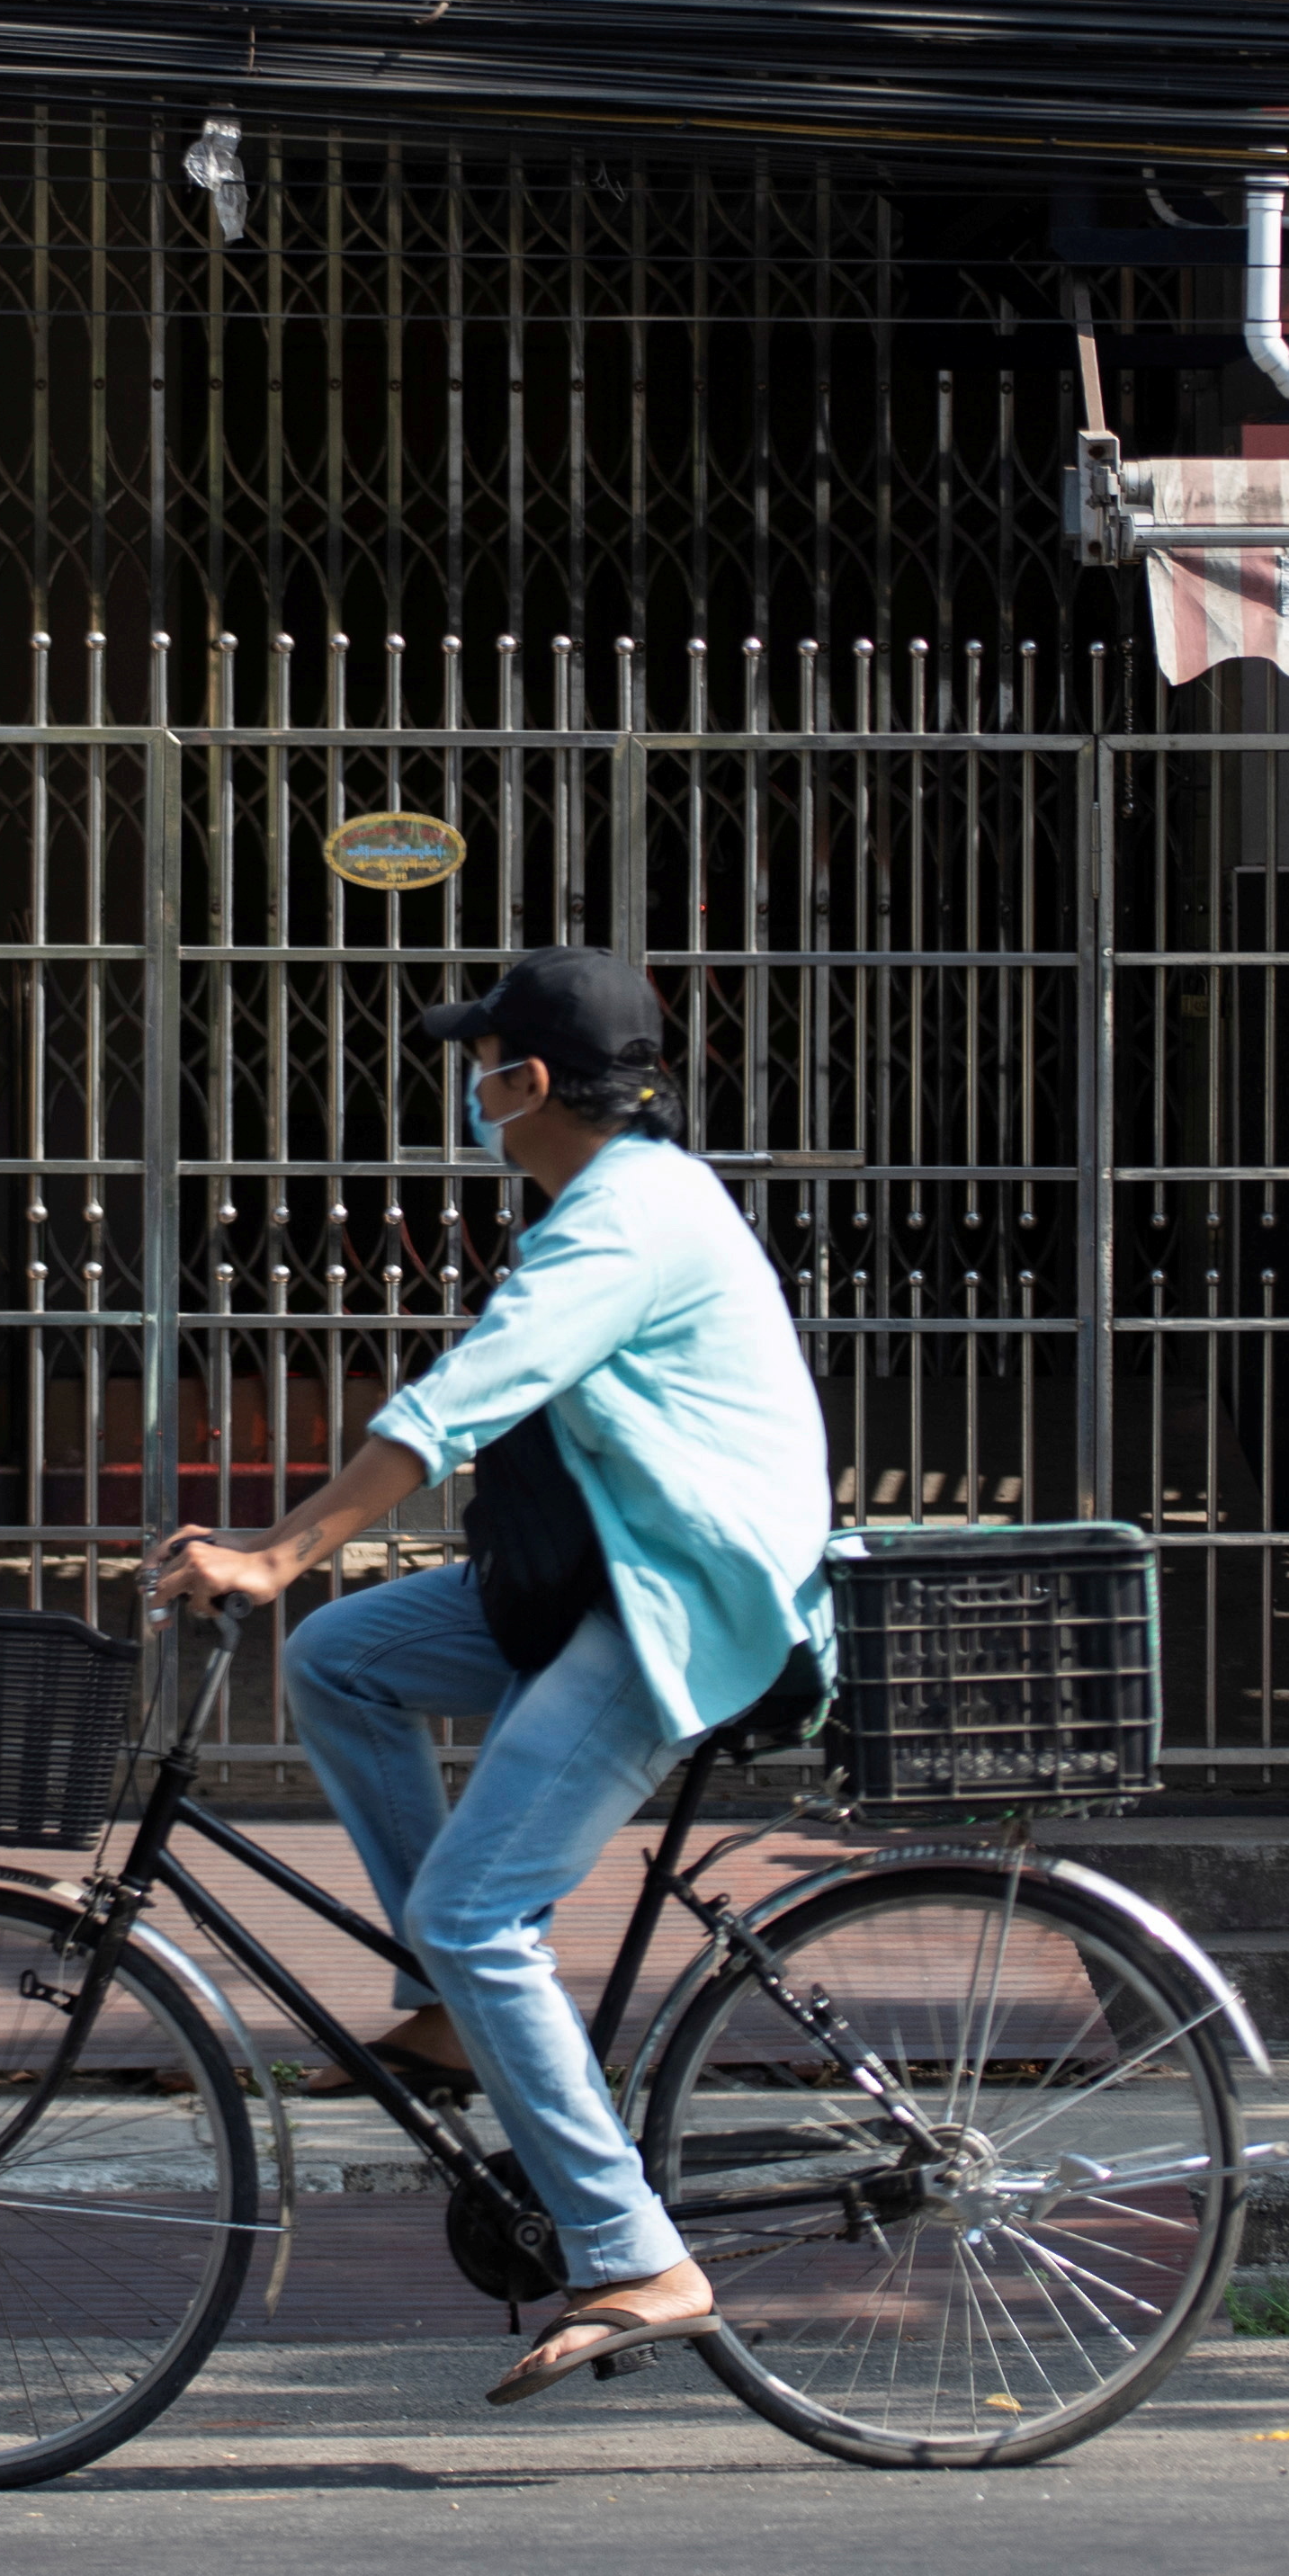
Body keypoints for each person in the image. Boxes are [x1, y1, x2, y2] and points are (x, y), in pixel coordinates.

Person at [146, 947, 834, 2402]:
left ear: (524, 1080)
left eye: (483, 1063)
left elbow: (461, 1401)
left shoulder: (629, 1216)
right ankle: (454, 2001)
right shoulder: (611, 1201)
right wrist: (302, 1581)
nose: (470, 1088)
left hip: (675, 1603)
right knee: (343, 1659)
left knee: (477, 1900)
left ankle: (635, 2253)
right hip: (594, 1572)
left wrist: (275, 1550)